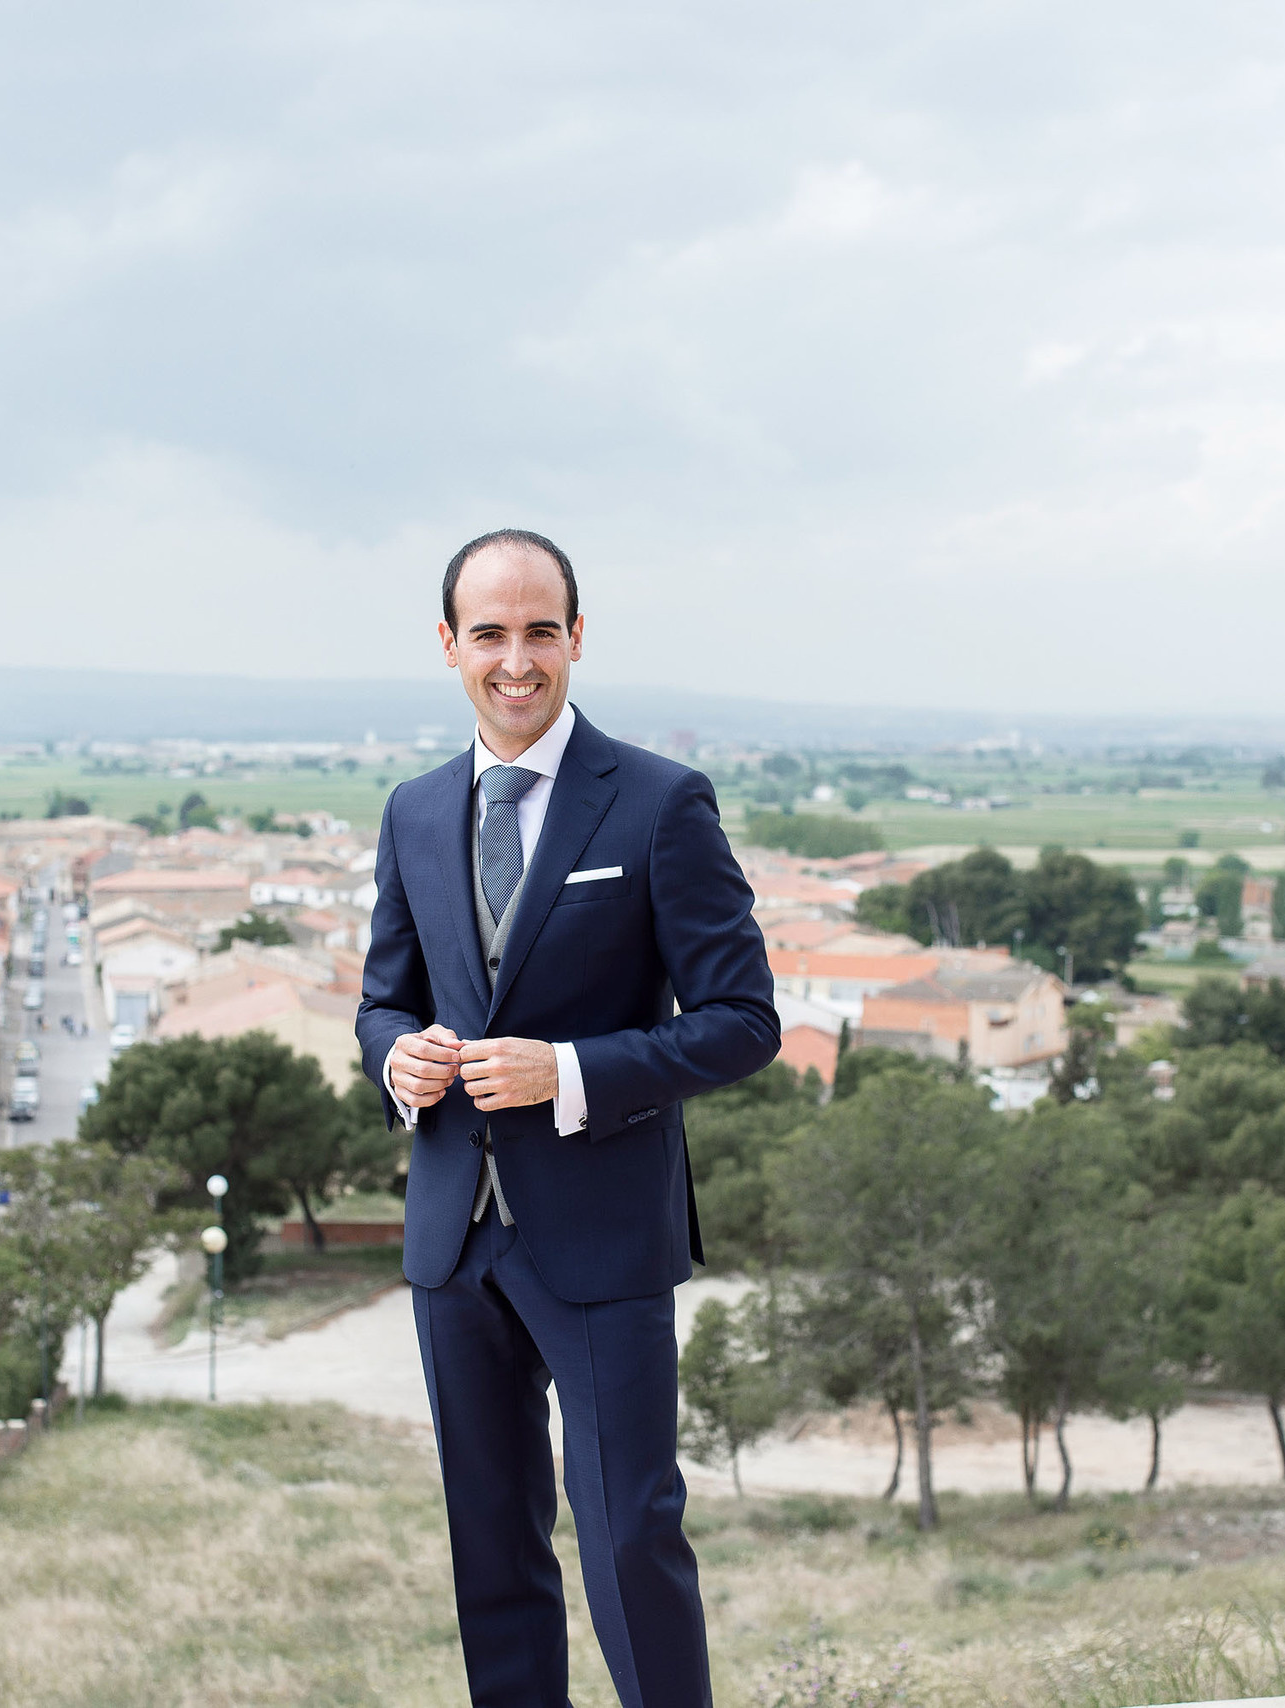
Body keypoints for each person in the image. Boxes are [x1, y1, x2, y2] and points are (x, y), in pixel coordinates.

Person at [356, 530, 778, 1708]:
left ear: (576, 639)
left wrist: (569, 1072)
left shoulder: (656, 803)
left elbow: (744, 1019)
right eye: (488, 633)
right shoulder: (414, 810)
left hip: (601, 1236)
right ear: (449, 647)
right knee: (490, 1553)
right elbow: (381, 1000)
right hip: (453, 1238)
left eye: (540, 630)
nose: (516, 659)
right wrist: (402, 1059)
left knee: (631, 1542)